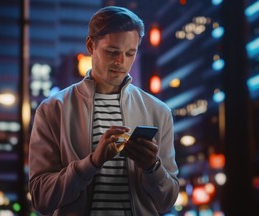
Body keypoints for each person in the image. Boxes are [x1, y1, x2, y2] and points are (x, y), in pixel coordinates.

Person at [28, 5, 179, 216]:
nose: (121, 62)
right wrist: (92, 163)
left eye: (130, 53)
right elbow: (40, 198)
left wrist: (152, 167)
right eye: (112, 52)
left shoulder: (158, 111)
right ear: (91, 45)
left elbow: (167, 202)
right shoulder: (53, 109)